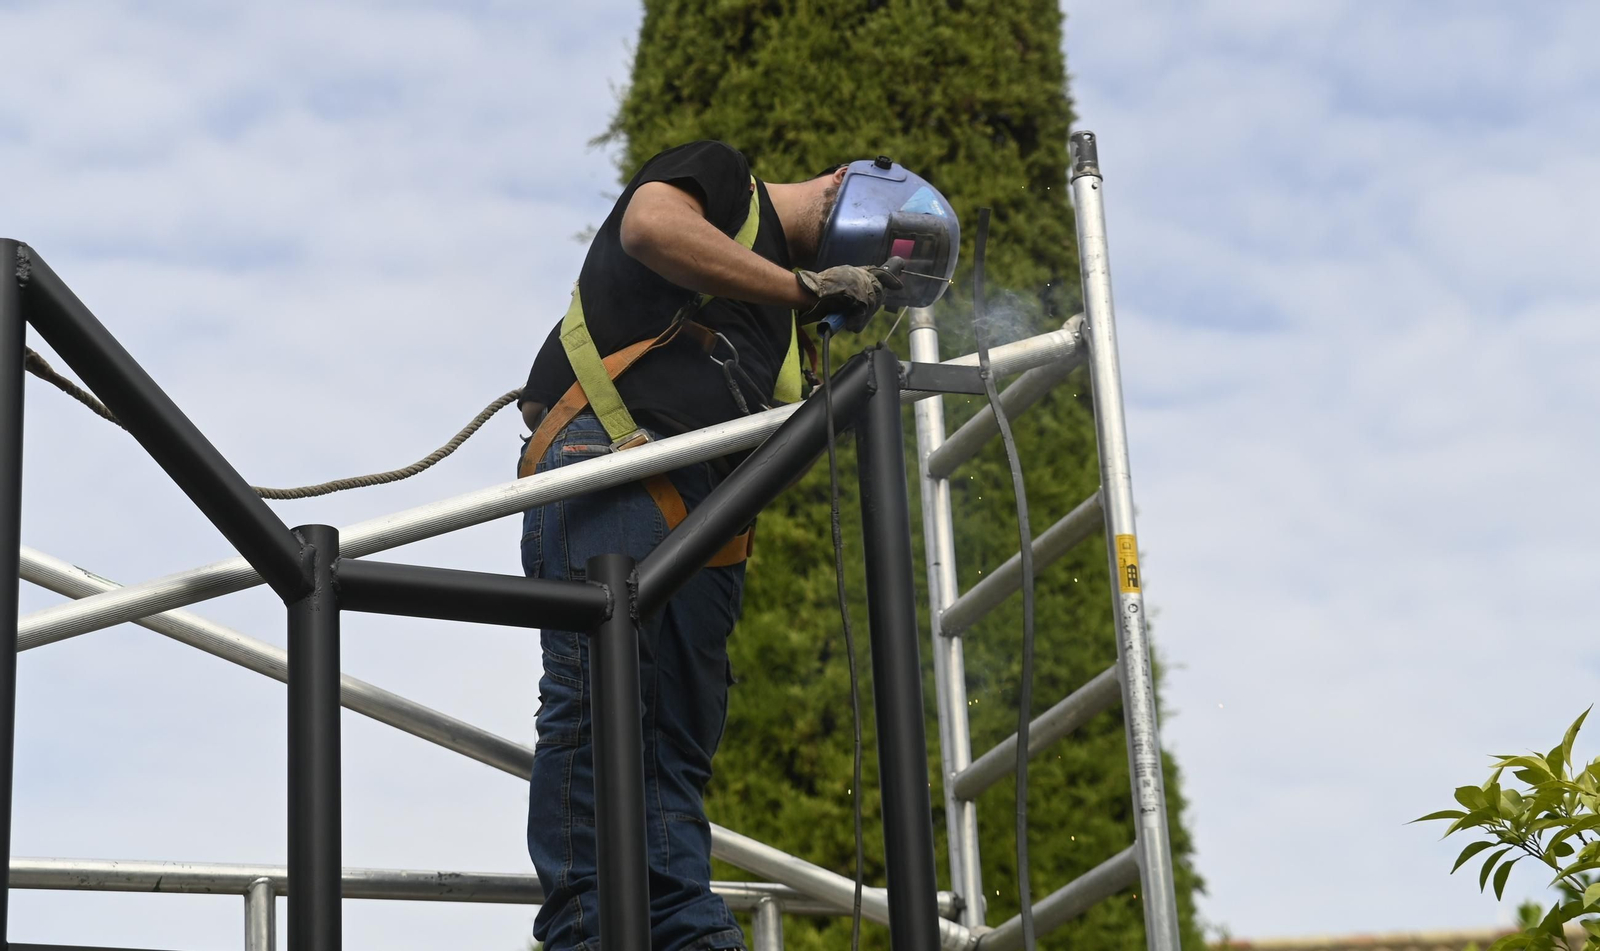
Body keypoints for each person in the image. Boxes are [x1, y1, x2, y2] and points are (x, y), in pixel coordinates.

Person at [516, 140, 958, 951]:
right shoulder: (726, 182)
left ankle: (684, 929)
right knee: (599, 710)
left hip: (702, 527)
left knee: (673, 751)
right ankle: (590, 930)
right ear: (844, 188)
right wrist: (800, 286)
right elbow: (650, 226)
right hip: (617, 469)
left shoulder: (788, 333)